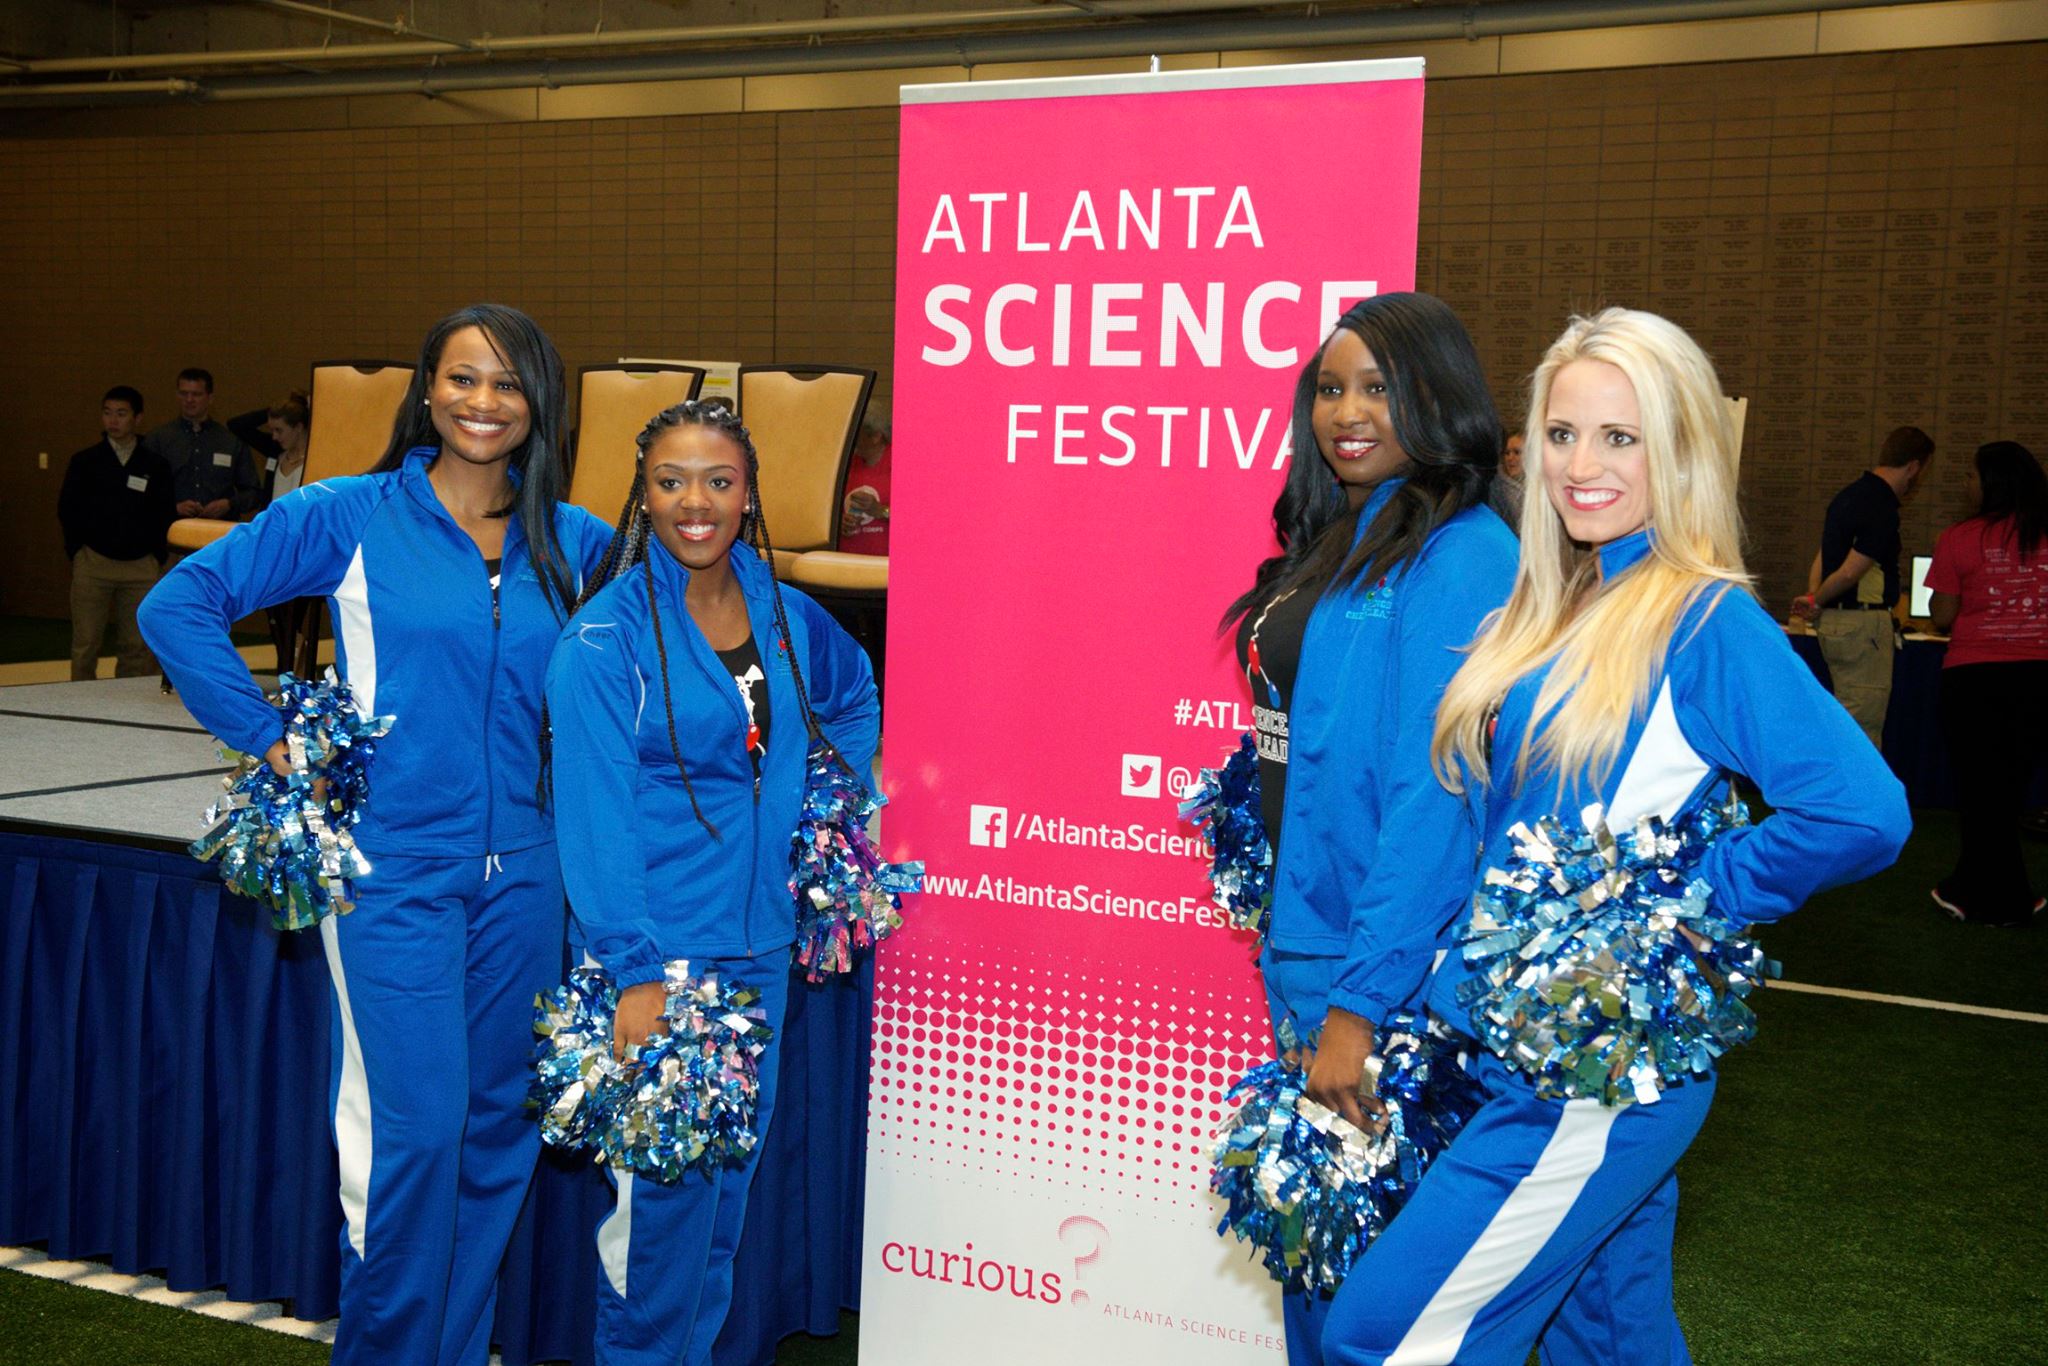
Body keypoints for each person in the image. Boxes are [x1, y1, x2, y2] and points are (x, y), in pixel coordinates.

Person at [1321, 308, 1908, 1366]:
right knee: (1608, 1343)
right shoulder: (1550, 605)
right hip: (1510, 1051)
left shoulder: (1703, 618)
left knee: (1384, 1336)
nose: (1580, 466)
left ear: (1678, 450)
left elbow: (1861, 812)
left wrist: (1676, 905)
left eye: (1619, 437)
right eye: (1561, 434)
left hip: (1588, 1077)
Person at [139, 305, 613, 1366]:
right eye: (463, 378)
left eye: (508, 382)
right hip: (391, 874)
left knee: (498, 1131)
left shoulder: (577, 540)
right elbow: (179, 604)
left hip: (532, 878)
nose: (483, 402)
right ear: (427, 390)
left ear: (541, 401)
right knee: (417, 1134)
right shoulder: (348, 513)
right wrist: (268, 738)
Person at [544, 400, 879, 1366]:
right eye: (672, 482)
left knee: (720, 1209)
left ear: (749, 495)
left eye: (719, 481)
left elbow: (853, 694)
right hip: (661, 962)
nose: (697, 502)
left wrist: (824, 814)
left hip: (760, 949)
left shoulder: (784, 611)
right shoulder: (604, 640)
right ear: (643, 497)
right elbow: (593, 817)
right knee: (657, 1227)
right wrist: (634, 970)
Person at [1218, 292, 1517, 1366]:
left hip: (1385, 976)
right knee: (1320, 1257)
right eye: (1330, 388)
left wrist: (1359, 1003)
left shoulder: (1461, 552)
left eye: (1379, 388)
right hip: (1309, 946)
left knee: (1376, 1304)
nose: (1346, 412)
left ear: (1439, 398)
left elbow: (1435, 794)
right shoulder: (1342, 535)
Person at [1927, 440, 2048, 926]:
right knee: (2007, 790)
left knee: (1980, 791)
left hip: (1975, 678)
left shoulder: (1959, 537)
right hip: (2038, 678)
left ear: (1992, 482)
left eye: (1971, 476)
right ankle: (1974, 887)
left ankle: (1999, 900)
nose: (1966, 484)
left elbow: (1941, 616)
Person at [1793, 425, 1936, 748]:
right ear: (1914, 467)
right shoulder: (1882, 505)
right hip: (1863, 625)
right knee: (1862, 727)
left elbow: (1824, 556)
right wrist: (1816, 600)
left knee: (1846, 716)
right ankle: (1852, 783)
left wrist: (1815, 598)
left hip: (1835, 622)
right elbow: (1850, 571)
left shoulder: (1847, 496)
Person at [58, 385, 175, 680]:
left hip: (141, 567)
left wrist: (156, 556)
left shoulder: (155, 465)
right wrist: (77, 552)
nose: (113, 420)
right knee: (85, 644)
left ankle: (126, 704)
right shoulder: (85, 461)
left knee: (136, 647)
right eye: (108, 413)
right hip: (93, 563)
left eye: (121, 414)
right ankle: (80, 702)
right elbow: (68, 509)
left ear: (138, 418)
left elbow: (165, 513)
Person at [142, 366, 260, 520]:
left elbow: (254, 492)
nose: (189, 400)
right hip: (172, 527)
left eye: (196, 394)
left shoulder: (230, 441)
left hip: (218, 529)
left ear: (210, 398)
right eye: (184, 393)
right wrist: (173, 506)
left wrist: (229, 504)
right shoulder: (158, 439)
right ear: (177, 395)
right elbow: (141, 488)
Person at [254, 390, 315, 673]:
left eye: (280, 429)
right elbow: (237, 425)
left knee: (293, 618)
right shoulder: (275, 456)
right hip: (273, 547)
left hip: (302, 552)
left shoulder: (316, 459)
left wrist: (308, 408)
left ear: (299, 427)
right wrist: (288, 403)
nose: (274, 436)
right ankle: (287, 673)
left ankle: (292, 673)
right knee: (275, 617)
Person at [838, 412, 892, 555]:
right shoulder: (847, 464)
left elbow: (925, 519)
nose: (848, 436)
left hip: (885, 563)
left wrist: (880, 511)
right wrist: (840, 522)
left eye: (855, 431)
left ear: (876, 436)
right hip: (848, 559)